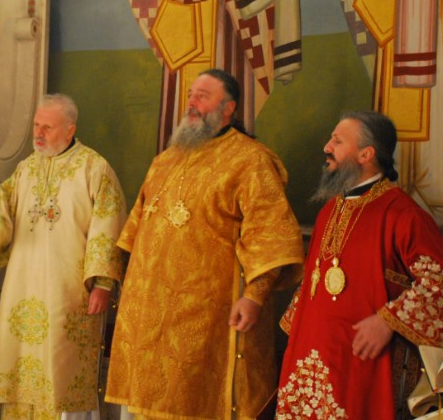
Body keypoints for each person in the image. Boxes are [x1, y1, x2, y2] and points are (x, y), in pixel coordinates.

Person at [105, 68, 304, 419]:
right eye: (191, 95)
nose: (192, 102)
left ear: (228, 108)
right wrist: (111, 281)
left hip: (205, 316)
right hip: (146, 316)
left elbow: (270, 235)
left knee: (194, 400)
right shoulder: (164, 161)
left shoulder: (250, 160)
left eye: (203, 96)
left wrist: (254, 295)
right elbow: (133, 229)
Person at [276, 111, 443, 419]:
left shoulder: (403, 214)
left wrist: (388, 320)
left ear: (366, 154)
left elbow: (438, 284)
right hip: (307, 362)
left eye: (337, 141)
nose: (326, 147)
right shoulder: (329, 210)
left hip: (362, 368)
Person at [0, 94, 126, 419]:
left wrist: (102, 283)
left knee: (61, 368)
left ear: (70, 130)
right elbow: (2, 206)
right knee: (20, 366)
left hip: (68, 291)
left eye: (48, 127)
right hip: (22, 287)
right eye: (36, 125)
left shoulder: (94, 168)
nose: (39, 133)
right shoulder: (25, 168)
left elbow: (108, 225)